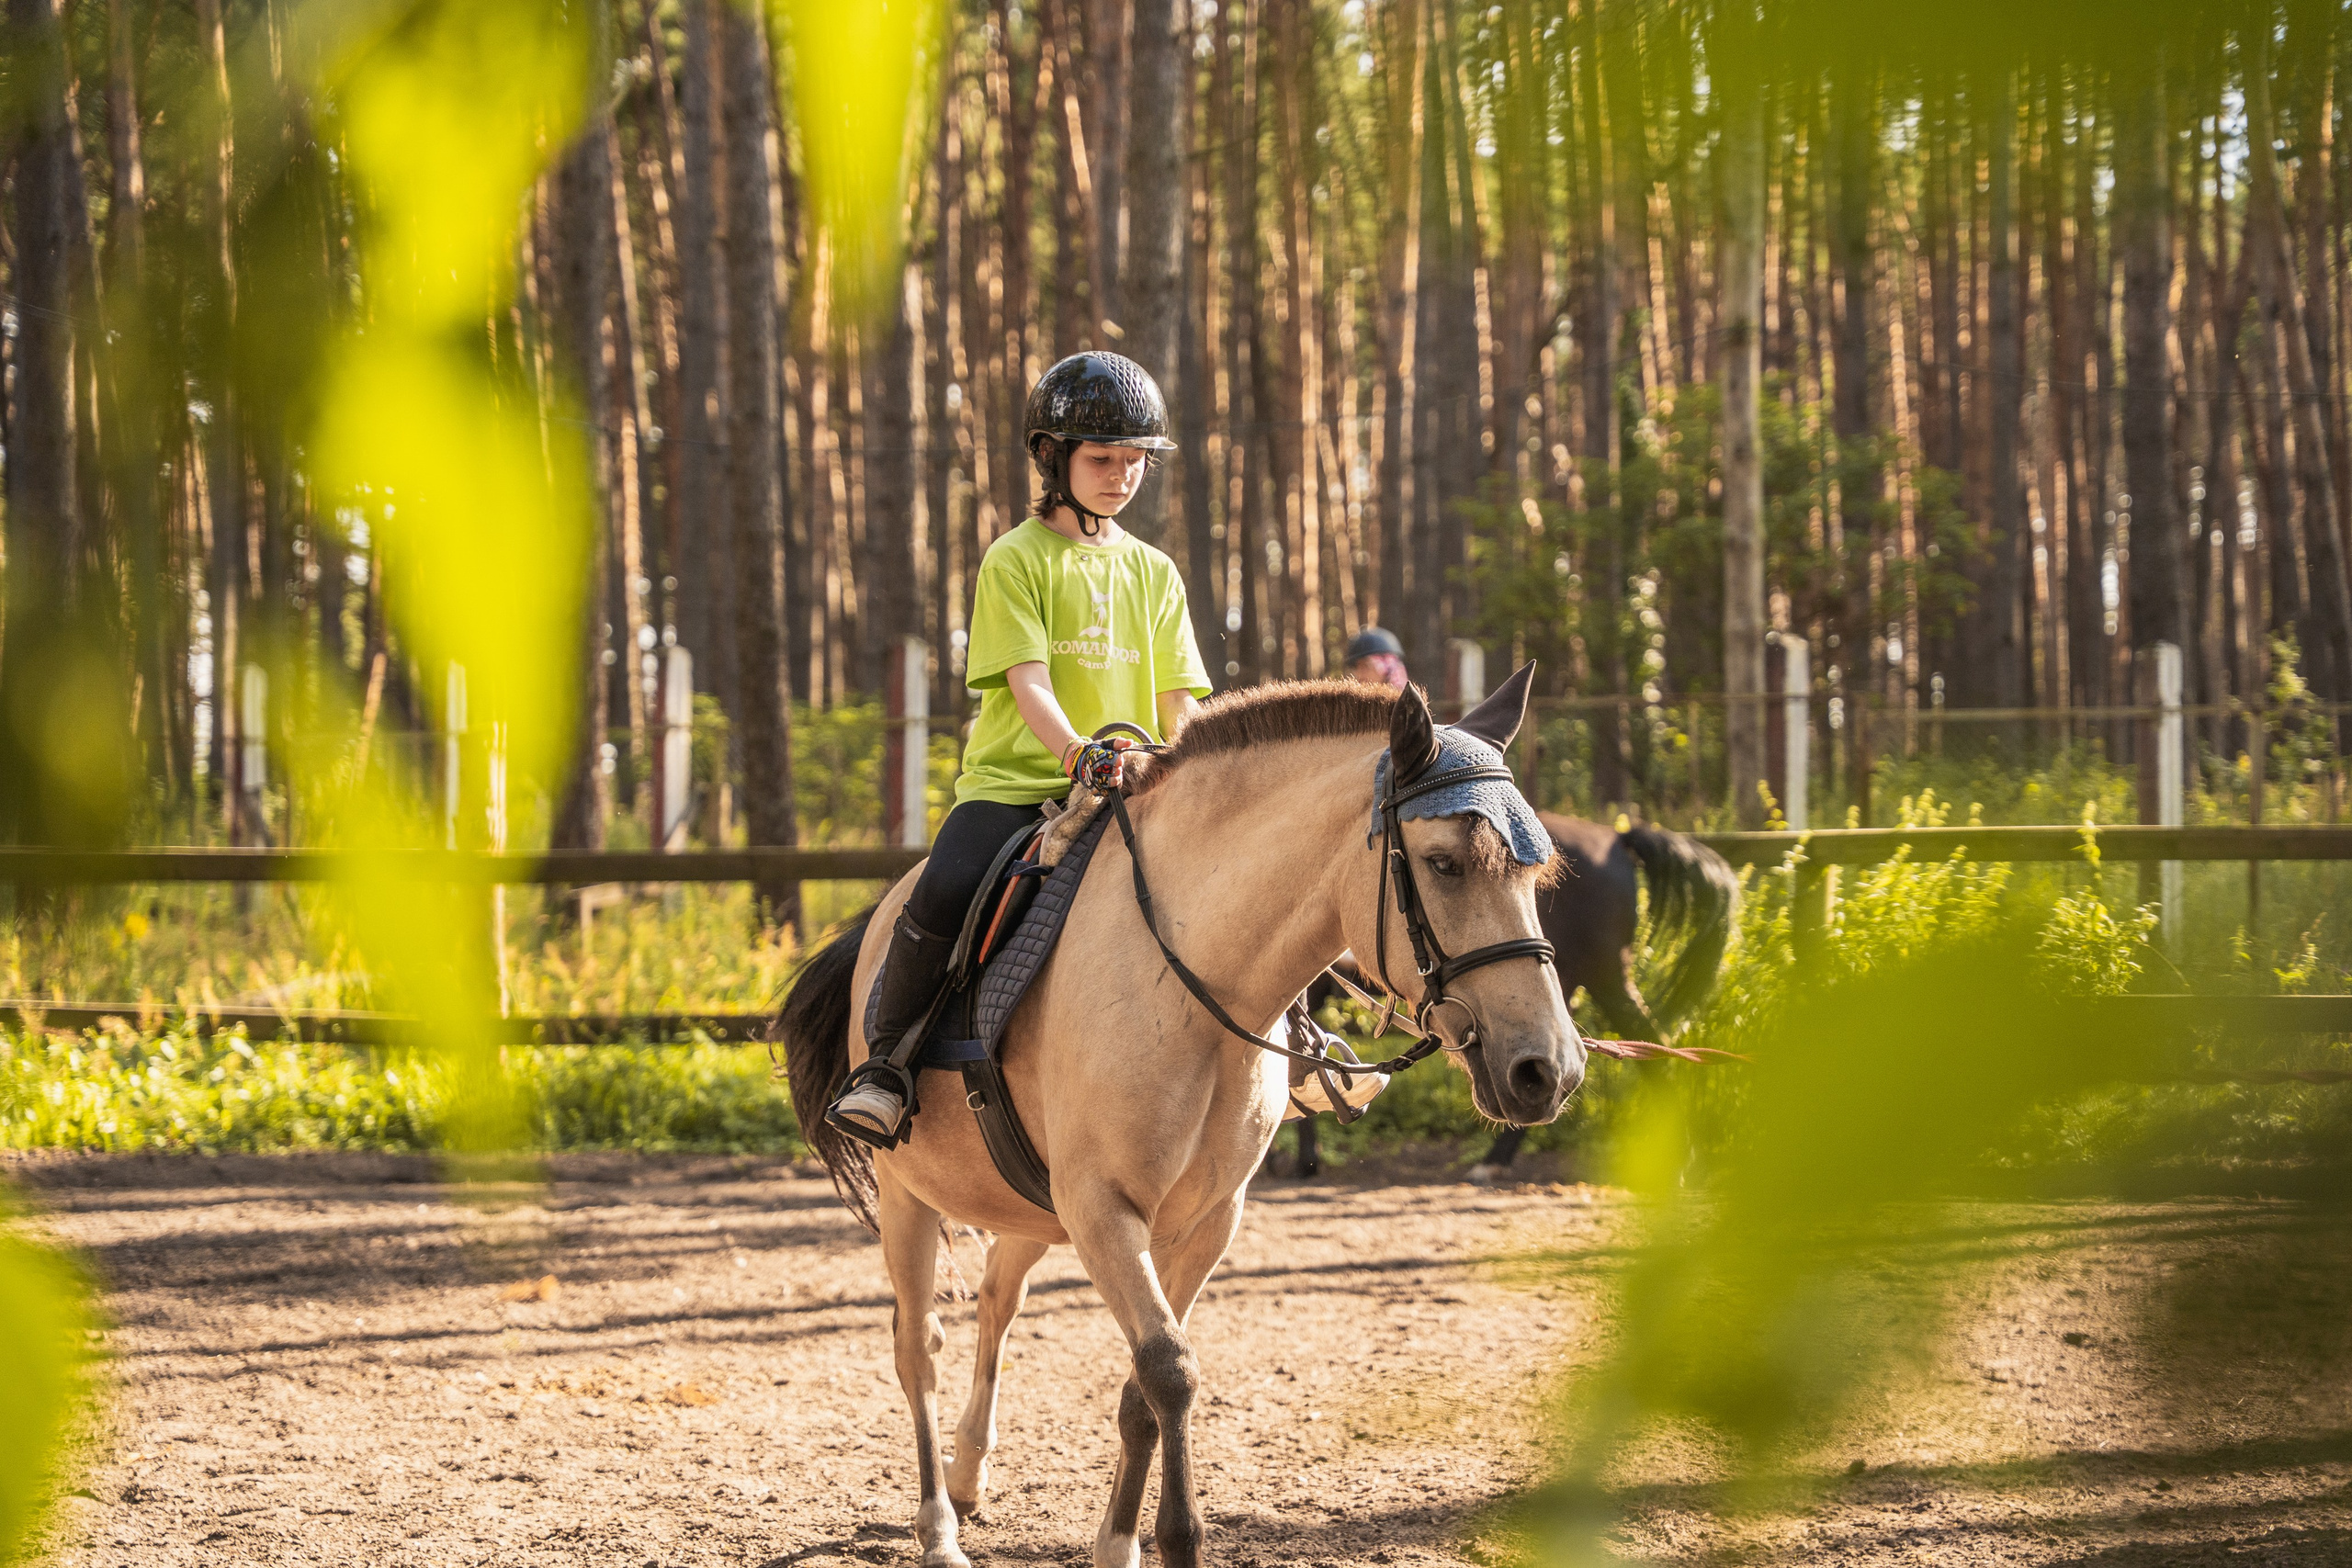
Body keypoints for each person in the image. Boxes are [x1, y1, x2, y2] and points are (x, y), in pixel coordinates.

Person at [827, 352, 1213, 1146]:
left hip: (1135, 787)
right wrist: (1077, 754)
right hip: (1017, 784)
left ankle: (1299, 1055)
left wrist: (1191, 770)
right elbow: (1029, 684)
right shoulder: (1015, 559)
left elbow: (1181, 700)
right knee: (943, 889)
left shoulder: (1157, 572)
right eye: (1103, 459)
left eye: (1136, 460)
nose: (1122, 475)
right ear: (1052, 457)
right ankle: (885, 1071)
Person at [1343, 626, 1408, 690]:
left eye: (1366, 666)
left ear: (1386, 669)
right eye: (1357, 667)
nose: (1360, 675)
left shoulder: (1408, 700)